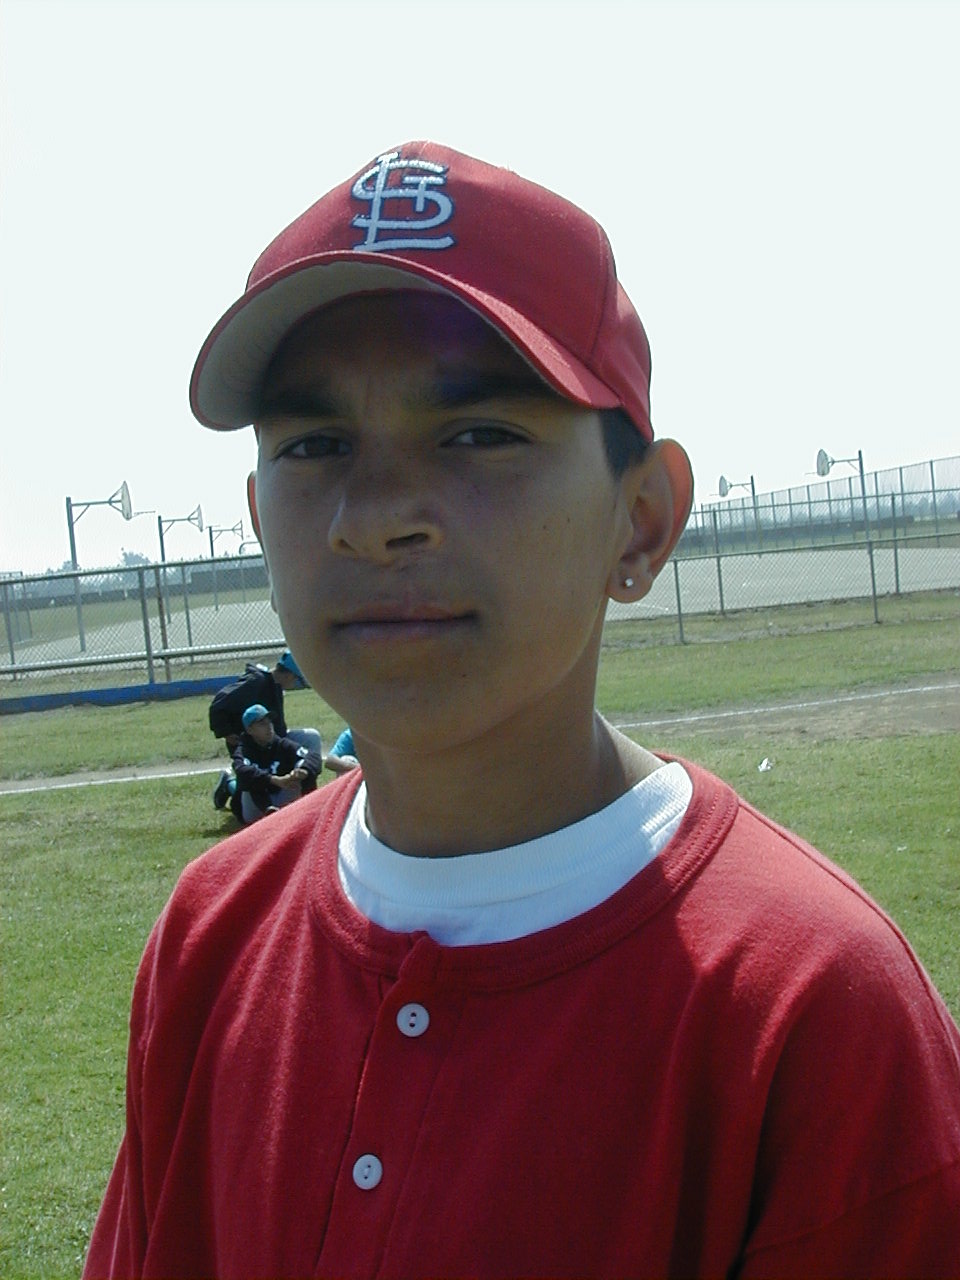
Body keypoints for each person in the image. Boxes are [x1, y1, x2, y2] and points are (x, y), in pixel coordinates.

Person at [85, 142, 960, 1278]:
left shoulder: (812, 1006)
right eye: (315, 444)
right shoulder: (211, 932)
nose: (374, 515)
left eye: (479, 434)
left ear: (642, 520)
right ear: (258, 516)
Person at [209, 648, 322, 810]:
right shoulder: (257, 681)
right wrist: (225, 731)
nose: (295, 684)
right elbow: (219, 703)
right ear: (288, 675)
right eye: (296, 679)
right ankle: (229, 784)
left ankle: (308, 789)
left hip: (272, 740)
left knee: (312, 737)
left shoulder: (274, 684)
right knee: (251, 786)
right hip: (251, 745)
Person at [230, 703, 322, 824]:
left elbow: (312, 756)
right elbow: (241, 771)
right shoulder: (244, 749)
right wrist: (273, 780)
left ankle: (311, 808)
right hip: (256, 808)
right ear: (249, 730)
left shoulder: (281, 744)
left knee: (302, 765)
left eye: (269, 722)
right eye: (262, 723)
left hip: (281, 796)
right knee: (249, 778)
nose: (269, 726)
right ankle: (229, 783)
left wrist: (303, 770)